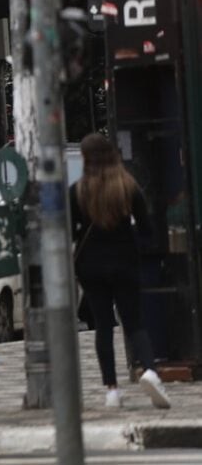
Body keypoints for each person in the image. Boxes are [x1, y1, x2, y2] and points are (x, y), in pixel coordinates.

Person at [71, 133, 171, 409]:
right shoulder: (129, 187)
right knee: (134, 323)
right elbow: (148, 231)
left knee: (103, 326)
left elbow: (69, 231)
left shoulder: (78, 191)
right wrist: (133, 242)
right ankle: (150, 370)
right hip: (125, 263)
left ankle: (112, 390)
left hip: (91, 266)